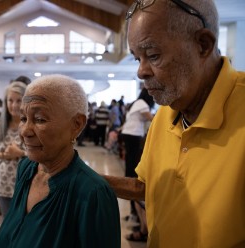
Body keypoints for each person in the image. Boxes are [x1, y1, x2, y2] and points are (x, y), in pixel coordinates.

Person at [103, 0, 245, 247]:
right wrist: (83, 178)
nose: (141, 72)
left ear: (203, 44)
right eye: (138, 59)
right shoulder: (164, 116)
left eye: (153, 55)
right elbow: (148, 187)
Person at [0, 74, 120, 247]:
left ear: (76, 124)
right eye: (24, 118)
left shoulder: (93, 195)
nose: (25, 131)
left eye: (39, 119)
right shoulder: (26, 168)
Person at [0, 81, 28, 217]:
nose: (14, 105)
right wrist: (5, 155)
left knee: (24, 225)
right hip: (3, 184)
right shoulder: (0, 123)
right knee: (7, 223)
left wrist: (20, 153)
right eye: (10, 100)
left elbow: (42, 154)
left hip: (26, 186)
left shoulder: (31, 124)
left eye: (19, 100)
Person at [119, 87, 154, 235]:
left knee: (130, 169)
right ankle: (135, 208)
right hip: (133, 136)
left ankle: (134, 209)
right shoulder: (142, 103)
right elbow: (151, 118)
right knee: (133, 172)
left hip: (129, 135)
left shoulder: (137, 102)